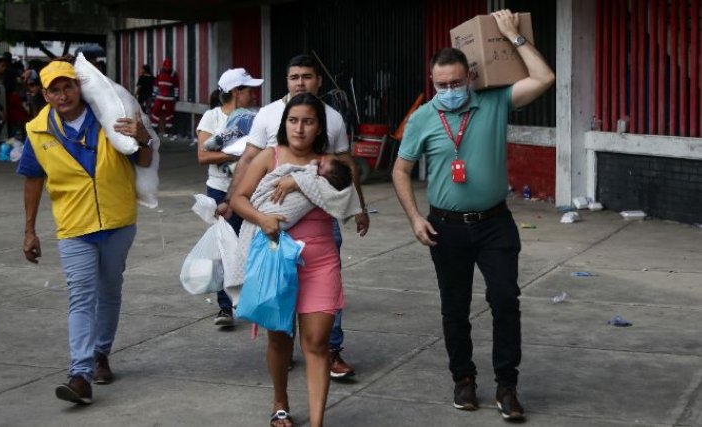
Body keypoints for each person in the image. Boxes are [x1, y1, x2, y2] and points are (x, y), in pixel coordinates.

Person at [392, 10, 555, 421]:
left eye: (456, 82)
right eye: (441, 85)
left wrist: (511, 35)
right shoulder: (423, 119)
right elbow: (401, 169)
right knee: (455, 308)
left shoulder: (494, 101)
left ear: (470, 77)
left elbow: (544, 79)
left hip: (494, 223)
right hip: (445, 227)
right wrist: (414, 218)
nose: (449, 90)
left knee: (505, 300)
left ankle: (507, 386)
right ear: (432, 83)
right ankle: (463, 379)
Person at [17, 59, 155, 405]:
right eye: (54, 89)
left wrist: (143, 138)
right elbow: (33, 180)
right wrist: (29, 230)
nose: (63, 95)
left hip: (118, 220)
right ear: (45, 94)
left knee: (109, 291)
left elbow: (142, 160)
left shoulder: (108, 115)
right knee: (81, 297)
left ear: (79, 87)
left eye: (68, 87)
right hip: (74, 226)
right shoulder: (37, 130)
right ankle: (79, 374)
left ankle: (101, 354)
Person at [227, 54, 369, 379]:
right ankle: (283, 346)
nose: (300, 82)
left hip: (321, 224)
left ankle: (331, 350)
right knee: (279, 298)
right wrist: (233, 202)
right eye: (294, 77)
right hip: (275, 227)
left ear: (318, 80)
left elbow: (344, 165)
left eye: (307, 76)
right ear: (287, 81)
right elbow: (250, 158)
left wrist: (357, 206)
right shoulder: (267, 114)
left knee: (326, 292)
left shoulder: (332, 118)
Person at [231, 93, 358, 427]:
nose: (300, 128)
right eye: (293, 120)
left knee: (316, 342)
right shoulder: (269, 157)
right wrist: (262, 219)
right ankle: (280, 402)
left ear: (319, 128)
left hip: (320, 260)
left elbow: (345, 199)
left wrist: (304, 179)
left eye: (308, 122)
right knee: (280, 338)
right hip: (275, 258)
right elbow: (239, 199)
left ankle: (317, 422)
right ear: (285, 123)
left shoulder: (330, 165)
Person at [196, 68, 263, 327]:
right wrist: (240, 155)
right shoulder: (211, 117)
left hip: (250, 189)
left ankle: (251, 300)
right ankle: (226, 308)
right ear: (236, 92)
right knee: (225, 248)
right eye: (249, 90)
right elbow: (203, 156)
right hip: (218, 191)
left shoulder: (255, 117)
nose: (253, 94)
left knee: (251, 245)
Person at [150, 58, 179, 135]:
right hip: (160, 96)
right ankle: (154, 128)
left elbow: (176, 86)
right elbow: (156, 84)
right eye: (166, 67)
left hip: (169, 98)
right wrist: (154, 95)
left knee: (169, 114)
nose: (167, 69)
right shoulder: (159, 72)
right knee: (155, 112)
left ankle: (169, 130)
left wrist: (176, 96)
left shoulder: (173, 74)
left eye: (168, 67)